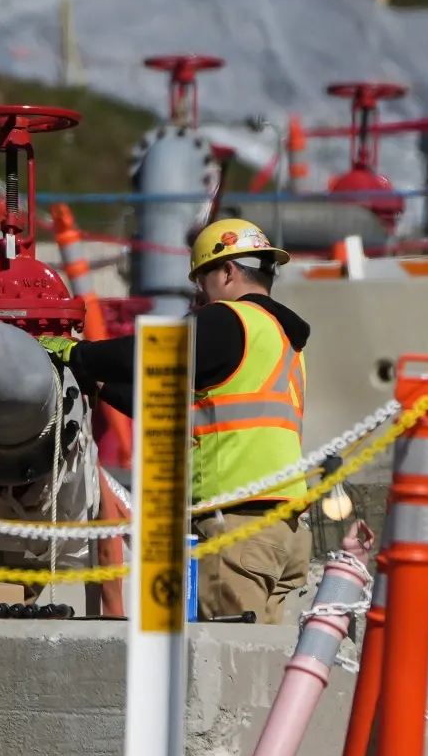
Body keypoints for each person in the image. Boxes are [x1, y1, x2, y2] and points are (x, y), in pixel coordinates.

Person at [40, 217, 312, 623]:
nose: (199, 296)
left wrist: (74, 354)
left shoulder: (229, 320)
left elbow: (151, 351)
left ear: (227, 271)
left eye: (201, 282)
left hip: (238, 523)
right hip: (283, 530)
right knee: (260, 670)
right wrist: (99, 385)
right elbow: (169, 406)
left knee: (222, 669)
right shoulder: (280, 341)